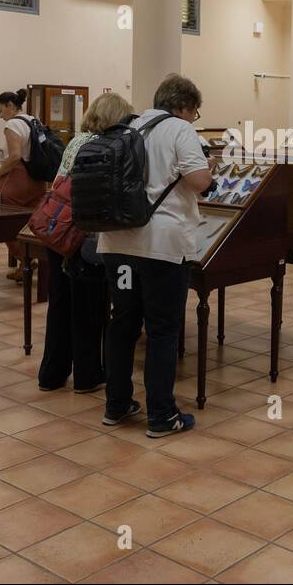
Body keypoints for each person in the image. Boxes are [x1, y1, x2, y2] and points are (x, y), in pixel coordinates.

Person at [97, 74, 214, 437]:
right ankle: (162, 415)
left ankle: (116, 405)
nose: (193, 118)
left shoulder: (126, 125)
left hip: (117, 244)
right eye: (194, 111)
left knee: (123, 325)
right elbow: (199, 182)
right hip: (161, 247)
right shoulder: (180, 130)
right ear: (182, 106)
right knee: (163, 330)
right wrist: (208, 174)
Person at [37, 91, 134, 393]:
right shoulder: (104, 147)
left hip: (58, 231)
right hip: (83, 237)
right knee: (88, 310)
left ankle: (51, 375)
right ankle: (88, 375)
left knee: (59, 306)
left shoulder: (75, 142)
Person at [0, 88, 47, 282]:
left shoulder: (13, 125)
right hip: (38, 179)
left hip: (18, 180)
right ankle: (39, 261)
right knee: (34, 225)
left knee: (6, 224)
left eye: (1, 110)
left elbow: (15, 156)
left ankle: (24, 261)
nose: (0, 116)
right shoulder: (34, 120)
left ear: (10, 106)